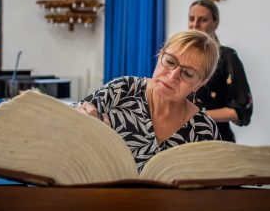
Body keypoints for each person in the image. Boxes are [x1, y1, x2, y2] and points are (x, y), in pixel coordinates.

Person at [74, 30, 221, 172]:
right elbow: (68, 121)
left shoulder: (204, 129)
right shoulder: (122, 90)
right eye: (170, 61)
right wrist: (79, 122)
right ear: (160, 56)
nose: (172, 76)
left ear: (200, 83)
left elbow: (213, 188)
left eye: (188, 74)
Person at [188, 0, 253, 142]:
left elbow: (241, 110)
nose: (195, 24)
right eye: (191, 19)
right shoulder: (182, 57)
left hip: (217, 141)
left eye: (203, 19)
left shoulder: (227, 57)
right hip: (183, 141)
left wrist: (196, 117)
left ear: (216, 23)